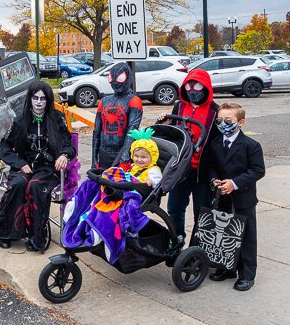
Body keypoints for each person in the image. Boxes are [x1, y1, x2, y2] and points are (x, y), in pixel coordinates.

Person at [0, 80, 76, 252]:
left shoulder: (57, 119)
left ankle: (36, 236)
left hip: (47, 169)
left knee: (36, 186)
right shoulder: (21, 120)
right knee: (18, 184)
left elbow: (68, 144)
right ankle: (7, 233)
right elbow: (5, 148)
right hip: (24, 167)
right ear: (30, 99)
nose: (39, 102)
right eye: (35, 98)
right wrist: (20, 163)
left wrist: (64, 155)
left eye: (43, 99)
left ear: (48, 101)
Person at [207, 103, 265, 291]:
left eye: (228, 121)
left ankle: (247, 274)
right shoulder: (215, 143)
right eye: (219, 121)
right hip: (222, 196)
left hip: (243, 198)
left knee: (246, 236)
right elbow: (211, 166)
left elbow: (257, 170)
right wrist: (214, 179)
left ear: (240, 122)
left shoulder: (251, 145)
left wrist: (234, 183)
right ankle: (227, 268)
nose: (223, 124)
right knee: (225, 234)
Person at [158, 68, 220, 238]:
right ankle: (177, 241)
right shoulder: (179, 106)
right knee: (175, 208)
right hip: (181, 169)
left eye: (198, 86)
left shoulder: (215, 111)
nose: (192, 90)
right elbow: (172, 134)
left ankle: (197, 248)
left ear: (206, 87)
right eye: (189, 86)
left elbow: (219, 142)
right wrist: (166, 122)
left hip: (203, 172)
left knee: (202, 211)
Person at [92, 63, 143, 169]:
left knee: (120, 184)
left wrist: (125, 155)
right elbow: (97, 131)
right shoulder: (104, 101)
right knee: (103, 183)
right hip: (104, 152)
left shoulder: (134, 101)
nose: (115, 82)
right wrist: (94, 158)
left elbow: (132, 130)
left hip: (121, 153)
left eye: (120, 78)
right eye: (112, 78)